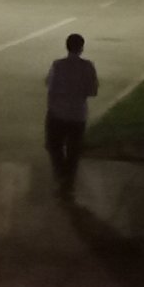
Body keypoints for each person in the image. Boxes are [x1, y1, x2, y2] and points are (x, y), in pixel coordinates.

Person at [43, 31, 100, 195]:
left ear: (66, 46)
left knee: (54, 146)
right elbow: (93, 91)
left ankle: (61, 174)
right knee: (74, 151)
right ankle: (68, 180)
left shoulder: (58, 65)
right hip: (77, 114)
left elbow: (50, 86)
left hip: (57, 113)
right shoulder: (88, 66)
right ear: (81, 48)